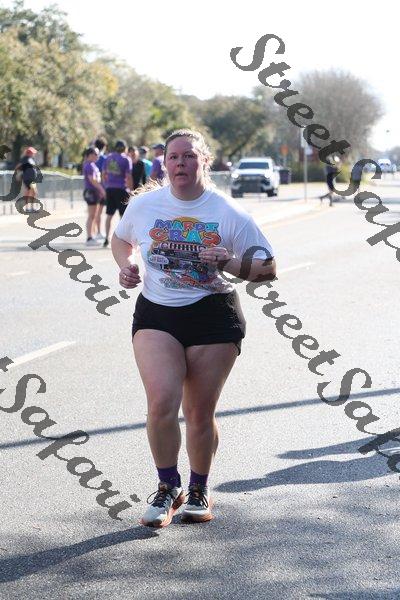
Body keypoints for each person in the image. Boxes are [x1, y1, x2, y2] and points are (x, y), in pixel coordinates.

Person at [111, 129, 276, 528]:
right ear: (164, 163)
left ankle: (199, 488)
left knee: (198, 412)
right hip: (157, 314)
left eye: (188, 156)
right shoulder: (145, 206)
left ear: (204, 161)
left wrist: (228, 262)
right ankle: (168, 487)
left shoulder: (228, 213)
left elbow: (268, 268)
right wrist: (126, 266)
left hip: (213, 316)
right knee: (161, 403)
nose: (180, 163)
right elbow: (120, 240)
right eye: (173, 157)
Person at [103, 140, 133, 248]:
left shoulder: (108, 158)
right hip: (121, 189)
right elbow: (128, 176)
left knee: (109, 215)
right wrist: (131, 190)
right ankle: (122, 240)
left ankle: (106, 238)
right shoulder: (126, 159)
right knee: (123, 216)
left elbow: (104, 174)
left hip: (110, 188)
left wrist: (106, 185)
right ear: (125, 148)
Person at [82, 146, 106, 245]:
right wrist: (102, 190)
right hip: (91, 192)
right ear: (90, 155)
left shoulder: (92, 165)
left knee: (94, 215)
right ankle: (89, 238)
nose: (98, 156)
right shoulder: (89, 165)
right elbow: (93, 180)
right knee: (91, 215)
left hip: (94, 192)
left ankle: (93, 235)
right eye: (96, 154)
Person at [15, 147, 40, 212]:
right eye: (32, 153)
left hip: (32, 179)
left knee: (33, 192)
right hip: (27, 179)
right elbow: (18, 166)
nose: (33, 154)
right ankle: (27, 208)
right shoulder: (25, 159)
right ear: (29, 153)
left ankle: (31, 208)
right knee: (29, 192)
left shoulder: (31, 159)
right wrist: (19, 173)